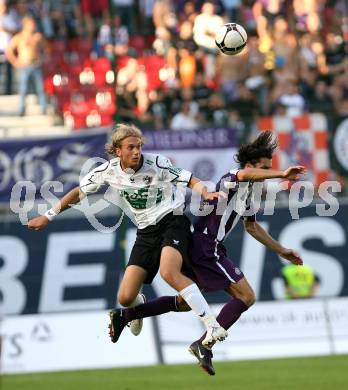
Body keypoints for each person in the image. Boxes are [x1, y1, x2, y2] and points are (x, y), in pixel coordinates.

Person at [107, 132, 306, 375]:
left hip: (203, 246)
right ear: (250, 165)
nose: (266, 174)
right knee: (246, 296)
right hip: (206, 245)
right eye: (263, 169)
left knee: (183, 303)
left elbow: (251, 226)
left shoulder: (252, 194)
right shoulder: (233, 178)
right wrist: (282, 174)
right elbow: (243, 174)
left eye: (269, 169)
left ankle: (126, 315)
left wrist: (283, 251)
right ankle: (203, 344)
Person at [27, 123, 228, 347]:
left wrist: (205, 191)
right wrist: (48, 216)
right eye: (130, 147)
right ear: (117, 150)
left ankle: (212, 324)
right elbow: (78, 193)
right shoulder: (108, 171)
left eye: (139, 147)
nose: (136, 152)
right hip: (146, 232)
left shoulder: (156, 163)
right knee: (125, 298)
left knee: (169, 272)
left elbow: (189, 179)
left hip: (173, 220)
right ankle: (138, 306)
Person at [6, 15, 47, 116]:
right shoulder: (19, 37)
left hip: (35, 65)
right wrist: (15, 62)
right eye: (31, 24)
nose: (33, 26)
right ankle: (22, 109)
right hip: (24, 66)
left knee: (40, 88)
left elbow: (47, 48)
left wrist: (42, 58)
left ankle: (43, 108)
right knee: (23, 89)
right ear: (26, 25)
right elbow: (9, 50)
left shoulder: (37, 36)